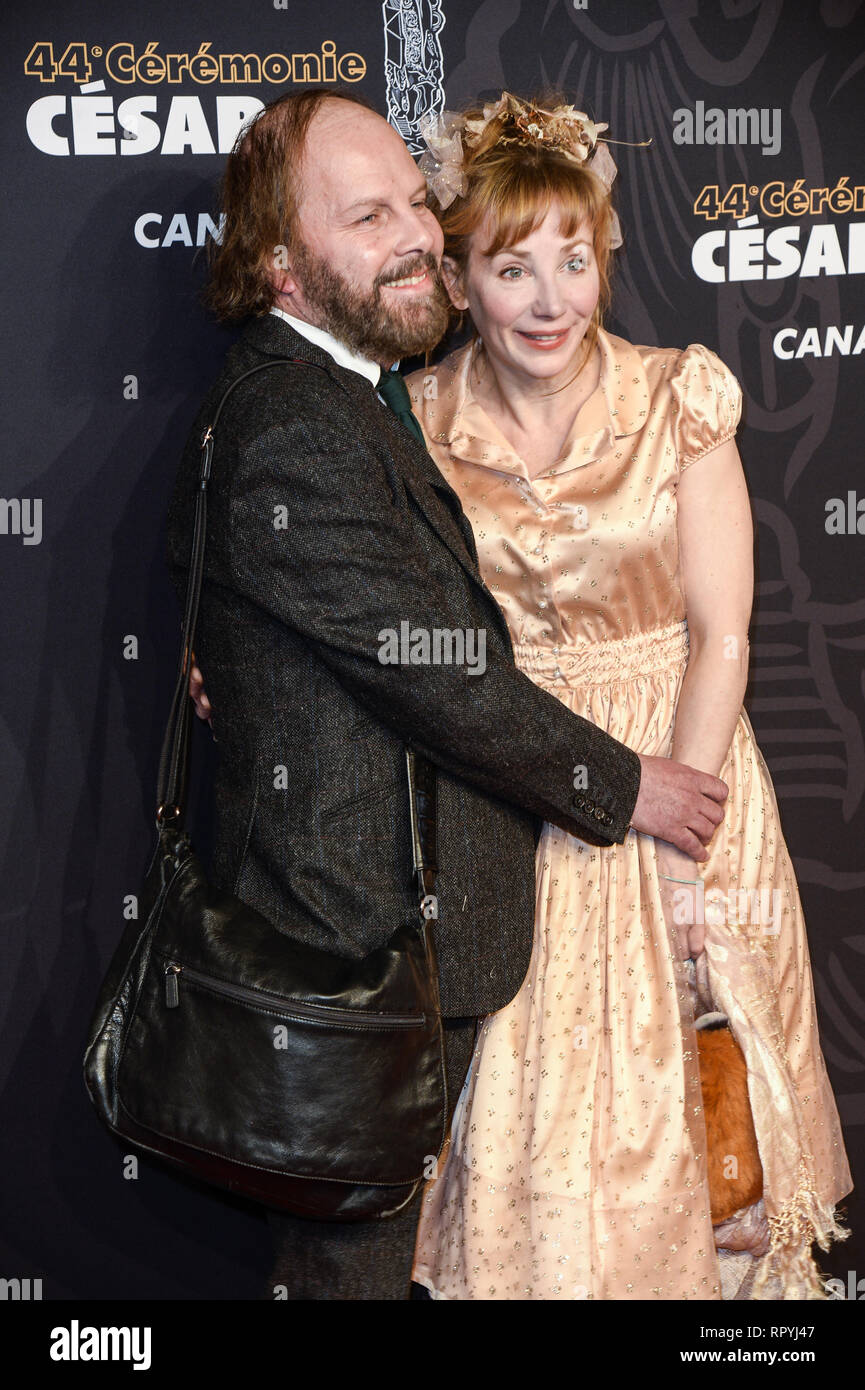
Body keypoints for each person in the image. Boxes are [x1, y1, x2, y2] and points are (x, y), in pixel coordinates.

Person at [167, 86, 730, 1302]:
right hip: (353, 947)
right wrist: (627, 783)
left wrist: (250, 666)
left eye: (416, 202)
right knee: (351, 1274)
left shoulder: (356, 391)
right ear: (280, 264)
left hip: (415, 932)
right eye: (368, 215)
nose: (418, 233)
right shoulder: (293, 422)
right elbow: (436, 668)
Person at [407, 92, 853, 1301]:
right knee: (535, 1143)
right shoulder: (417, 424)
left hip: (687, 774)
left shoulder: (677, 397)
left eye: (574, 260)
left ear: (604, 261)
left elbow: (720, 633)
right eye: (512, 267)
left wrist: (676, 850)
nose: (549, 300)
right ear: (460, 283)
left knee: (707, 1149)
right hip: (517, 801)